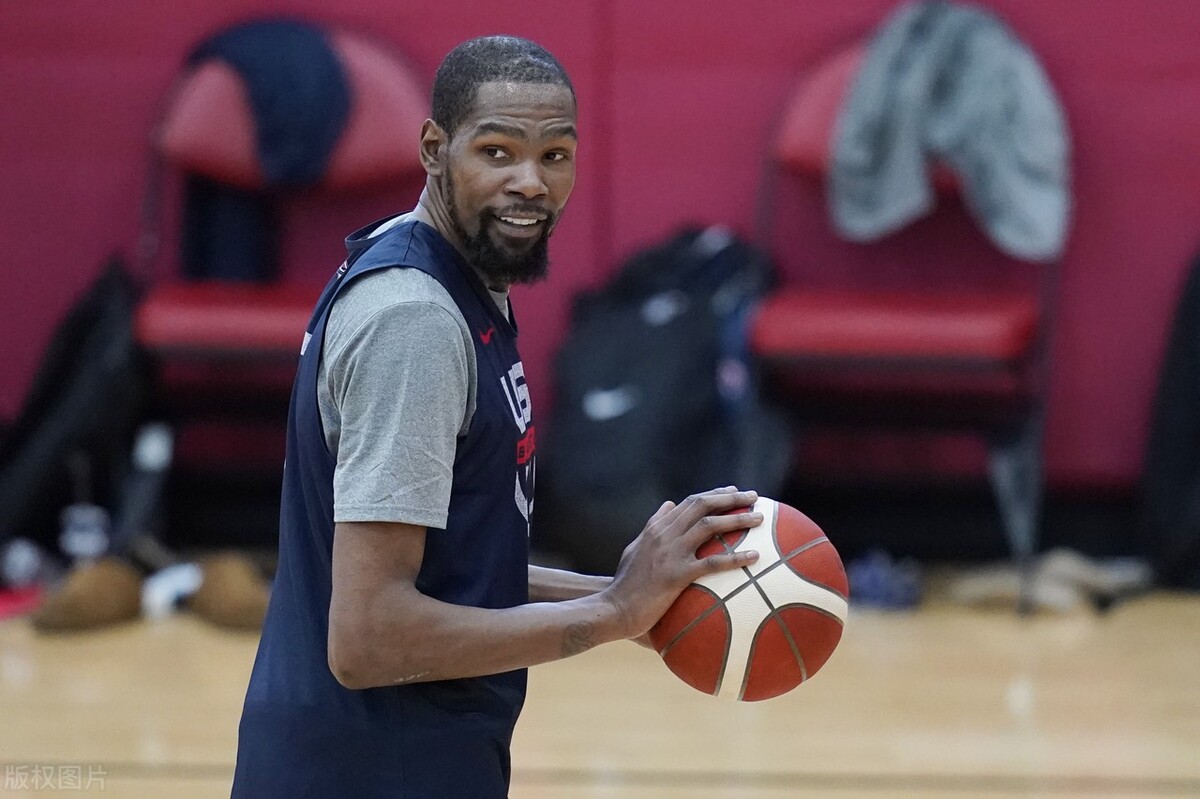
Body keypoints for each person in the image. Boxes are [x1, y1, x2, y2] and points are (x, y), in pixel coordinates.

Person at [231, 35, 761, 798]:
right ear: (434, 150)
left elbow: (457, 570)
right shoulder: (415, 321)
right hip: (369, 771)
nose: (531, 182)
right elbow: (369, 635)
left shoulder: (440, 272)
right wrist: (612, 612)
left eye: (555, 156)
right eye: (498, 152)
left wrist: (623, 593)